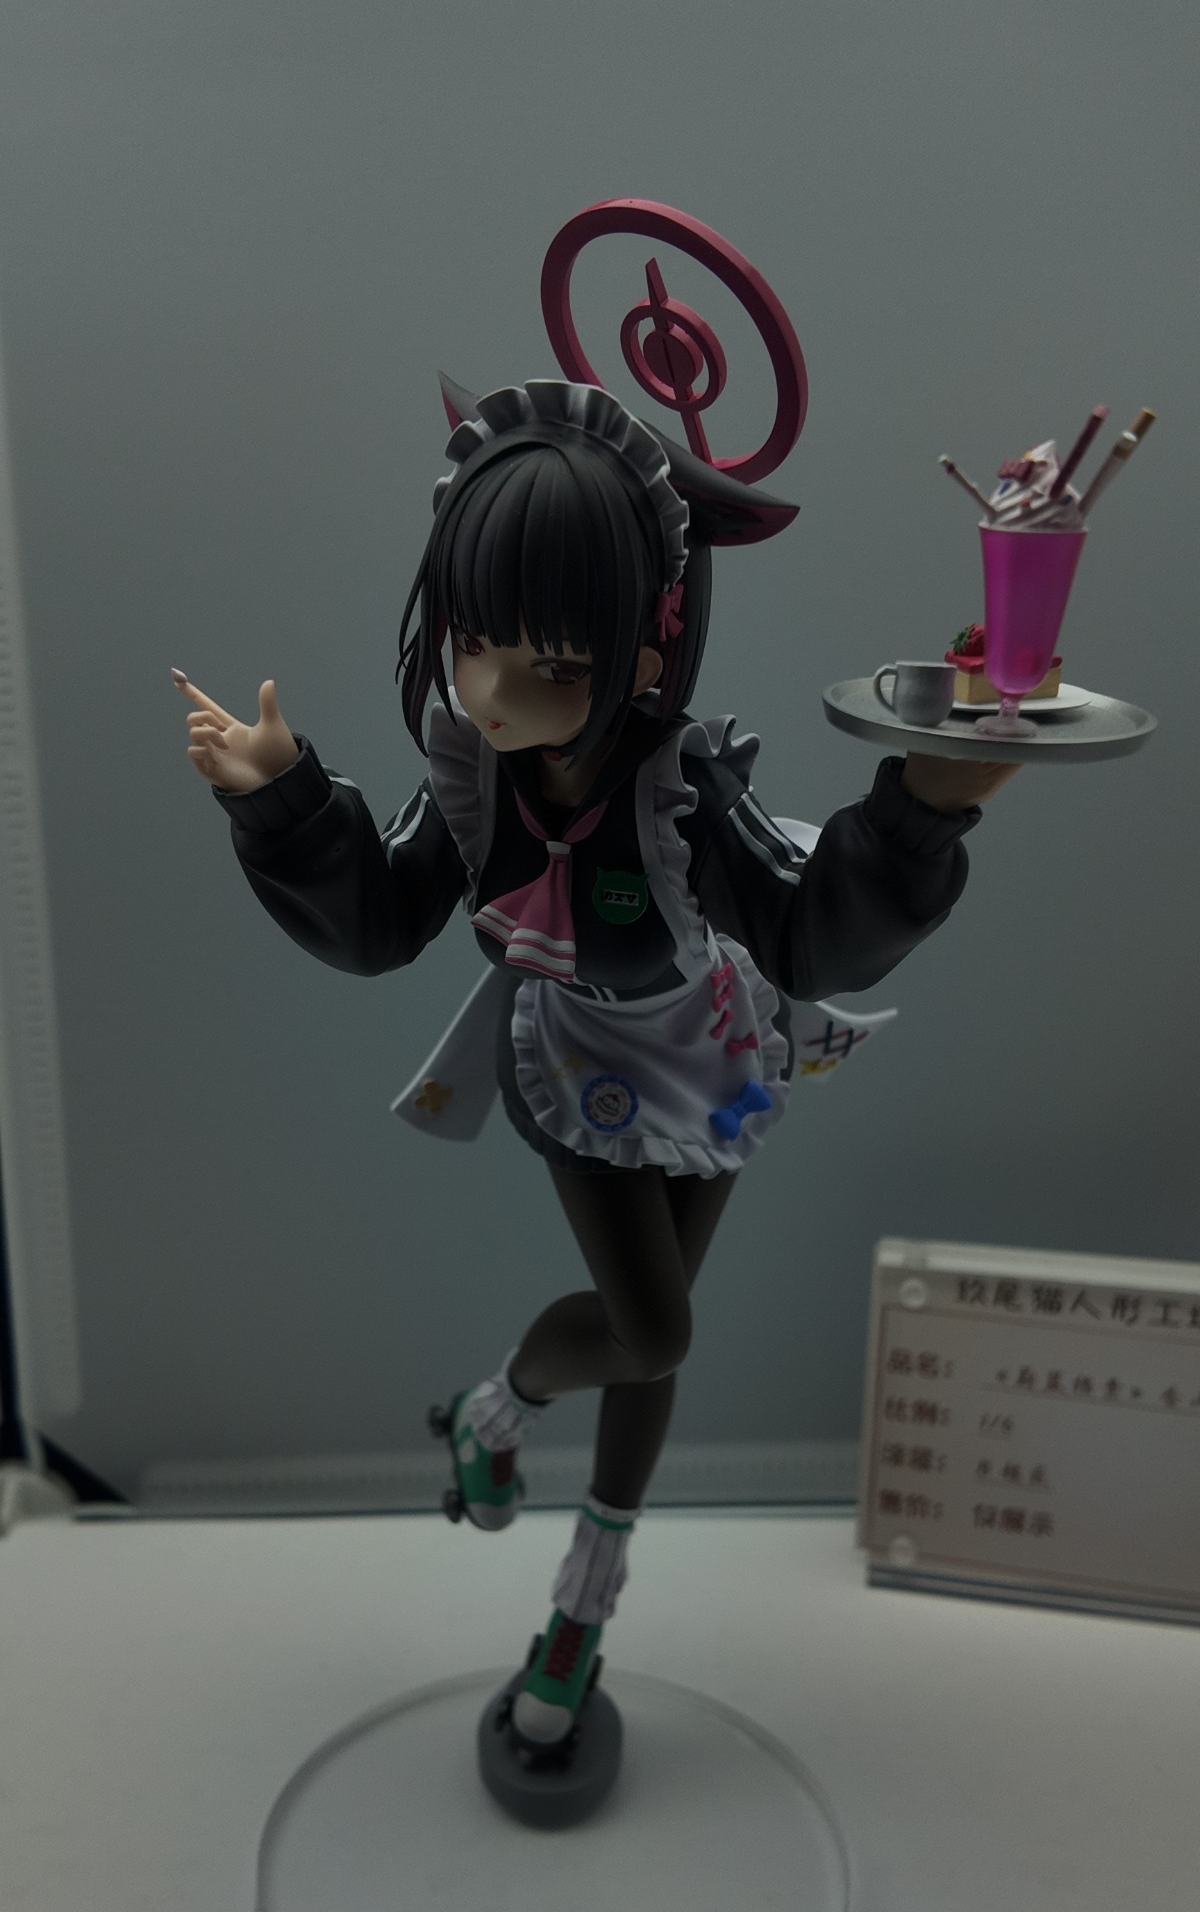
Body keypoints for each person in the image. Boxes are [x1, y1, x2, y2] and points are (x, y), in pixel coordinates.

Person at [174, 377, 1017, 1753]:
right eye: (474, 644)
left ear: (646, 647)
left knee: (652, 1330)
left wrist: (922, 811)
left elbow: (807, 931)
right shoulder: (472, 775)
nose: (496, 694)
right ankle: (497, 1410)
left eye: (553, 663)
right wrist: (282, 804)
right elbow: (379, 920)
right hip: (580, 1067)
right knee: (657, 1328)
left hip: (720, 1050)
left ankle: (580, 1604)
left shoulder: (682, 791)